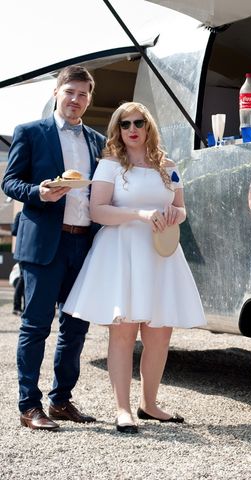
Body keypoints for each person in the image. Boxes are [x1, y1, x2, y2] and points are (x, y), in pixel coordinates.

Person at [62, 102, 206, 434]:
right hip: (123, 251)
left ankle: (150, 404)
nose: (132, 129)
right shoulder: (110, 165)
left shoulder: (167, 165)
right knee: (124, 332)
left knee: (159, 333)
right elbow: (97, 211)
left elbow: (182, 209)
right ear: (118, 129)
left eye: (139, 122)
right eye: (125, 124)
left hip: (161, 252)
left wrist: (174, 215)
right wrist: (140, 215)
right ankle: (122, 409)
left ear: (148, 126)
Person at [2, 65, 105, 431]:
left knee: (76, 327)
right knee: (35, 326)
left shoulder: (97, 141)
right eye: (70, 92)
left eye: (83, 94)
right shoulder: (30, 132)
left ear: (89, 99)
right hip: (46, 243)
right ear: (56, 93)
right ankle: (29, 405)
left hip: (84, 243)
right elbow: (10, 182)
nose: (76, 100)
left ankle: (61, 400)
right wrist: (38, 192)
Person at [10, 211, 24, 316]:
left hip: (26, 250)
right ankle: (16, 307)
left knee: (25, 280)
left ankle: (23, 307)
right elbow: (14, 231)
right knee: (23, 279)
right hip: (23, 250)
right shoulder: (20, 214)